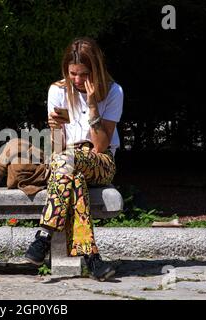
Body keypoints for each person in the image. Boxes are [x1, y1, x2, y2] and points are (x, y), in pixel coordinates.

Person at [24, 37, 124, 281]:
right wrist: (54, 130)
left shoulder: (113, 91)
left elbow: (101, 147)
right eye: (73, 74)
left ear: (96, 70)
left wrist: (92, 107)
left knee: (68, 163)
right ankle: (92, 258)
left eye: (84, 74)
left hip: (100, 161)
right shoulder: (57, 90)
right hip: (67, 162)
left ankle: (44, 234)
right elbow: (58, 151)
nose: (77, 80)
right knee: (73, 177)